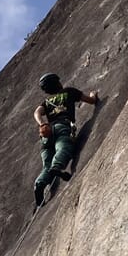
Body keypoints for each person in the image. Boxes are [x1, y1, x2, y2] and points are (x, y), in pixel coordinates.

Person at [33, 72, 100, 206]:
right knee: (63, 147)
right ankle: (57, 167)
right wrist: (93, 96)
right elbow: (91, 101)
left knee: (46, 164)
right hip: (62, 126)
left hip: (47, 133)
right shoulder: (69, 92)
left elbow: (37, 112)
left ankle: (39, 183)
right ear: (58, 83)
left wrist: (42, 124)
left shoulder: (46, 102)